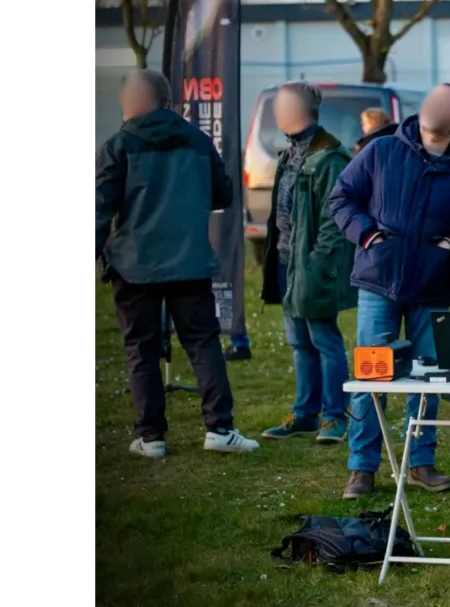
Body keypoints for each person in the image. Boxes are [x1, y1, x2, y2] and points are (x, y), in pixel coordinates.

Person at [93, 69, 260, 457]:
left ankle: (150, 437)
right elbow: (223, 195)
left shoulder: (117, 146)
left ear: (130, 102)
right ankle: (220, 429)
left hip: (134, 264)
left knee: (142, 349)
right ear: (168, 101)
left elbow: (100, 210)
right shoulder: (198, 141)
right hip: (188, 260)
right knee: (203, 343)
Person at [329, 83, 450, 499]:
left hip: (431, 287)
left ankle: (420, 463)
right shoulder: (380, 152)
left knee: (427, 378)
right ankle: (362, 468)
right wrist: (367, 236)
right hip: (378, 281)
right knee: (371, 374)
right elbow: (342, 198)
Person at [258, 82, 357, 443]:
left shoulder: (328, 157)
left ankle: (334, 417)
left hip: (312, 266)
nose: (277, 114)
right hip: (287, 262)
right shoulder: (289, 154)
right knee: (299, 341)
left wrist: (317, 264)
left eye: (283, 107)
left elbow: (335, 220)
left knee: (324, 340)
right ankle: (305, 414)